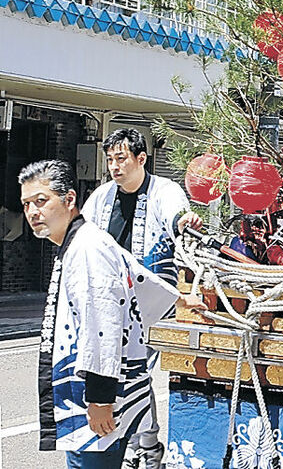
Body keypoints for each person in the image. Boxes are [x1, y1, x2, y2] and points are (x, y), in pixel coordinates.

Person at [19, 160, 199, 469]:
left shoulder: (86, 247)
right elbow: (140, 278)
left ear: (69, 199)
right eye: (26, 204)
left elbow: (103, 323)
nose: (34, 212)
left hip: (99, 399)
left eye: (41, 200)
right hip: (104, 393)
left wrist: (101, 399)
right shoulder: (86, 241)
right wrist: (179, 303)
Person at [81, 129, 202, 468]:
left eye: (121, 159)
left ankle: (143, 447)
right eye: (110, 160)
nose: (114, 167)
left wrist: (184, 221)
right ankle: (144, 446)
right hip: (108, 298)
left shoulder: (164, 189)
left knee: (134, 369)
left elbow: (176, 213)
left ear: (141, 159)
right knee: (117, 370)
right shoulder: (101, 197)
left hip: (149, 297)